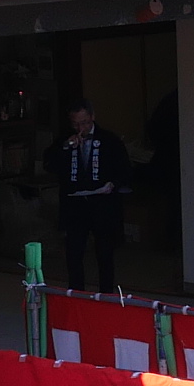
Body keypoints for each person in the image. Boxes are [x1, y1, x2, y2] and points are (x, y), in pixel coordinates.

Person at [52, 102, 131, 292]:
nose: (81, 128)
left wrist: (113, 184)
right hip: (75, 204)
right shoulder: (65, 140)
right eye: (76, 124)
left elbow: (125, 170)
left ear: (93, 117)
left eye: (85, 122)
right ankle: (76, 293)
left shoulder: (109, 140)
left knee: (105, 252)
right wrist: (66, 147)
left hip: (102, 204)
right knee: (74, 253)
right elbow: (51, 165)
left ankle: (106, 295)